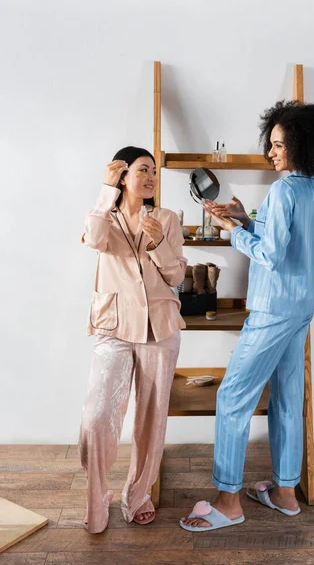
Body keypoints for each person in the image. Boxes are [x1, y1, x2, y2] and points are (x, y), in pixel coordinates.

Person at [180, 100, 314, 531]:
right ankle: (285, 494)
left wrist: (231, 231)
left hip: (274, 308)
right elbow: (286, 243)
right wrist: (243, 219)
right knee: (287, 398)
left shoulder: (283, 190)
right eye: (271, 144)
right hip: (301, 305)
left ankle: (228, 501)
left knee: (232, 396)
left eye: (279, 144)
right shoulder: (312, 191)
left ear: (300, 144)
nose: (271, 152)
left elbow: (270, 255)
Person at [79, 146, 187, 533]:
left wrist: (158, 244)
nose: (150, 177)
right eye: (142, 170)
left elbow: (177, 278)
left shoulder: (167, 219)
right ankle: (97, 499)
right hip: (114, 326)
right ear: (123, 175)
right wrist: (105, 191)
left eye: (154, 171)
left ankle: (138, 495)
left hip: (160, 327)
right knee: (96, 418)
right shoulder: (104, 217)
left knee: (150, 419)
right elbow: (93, 240)